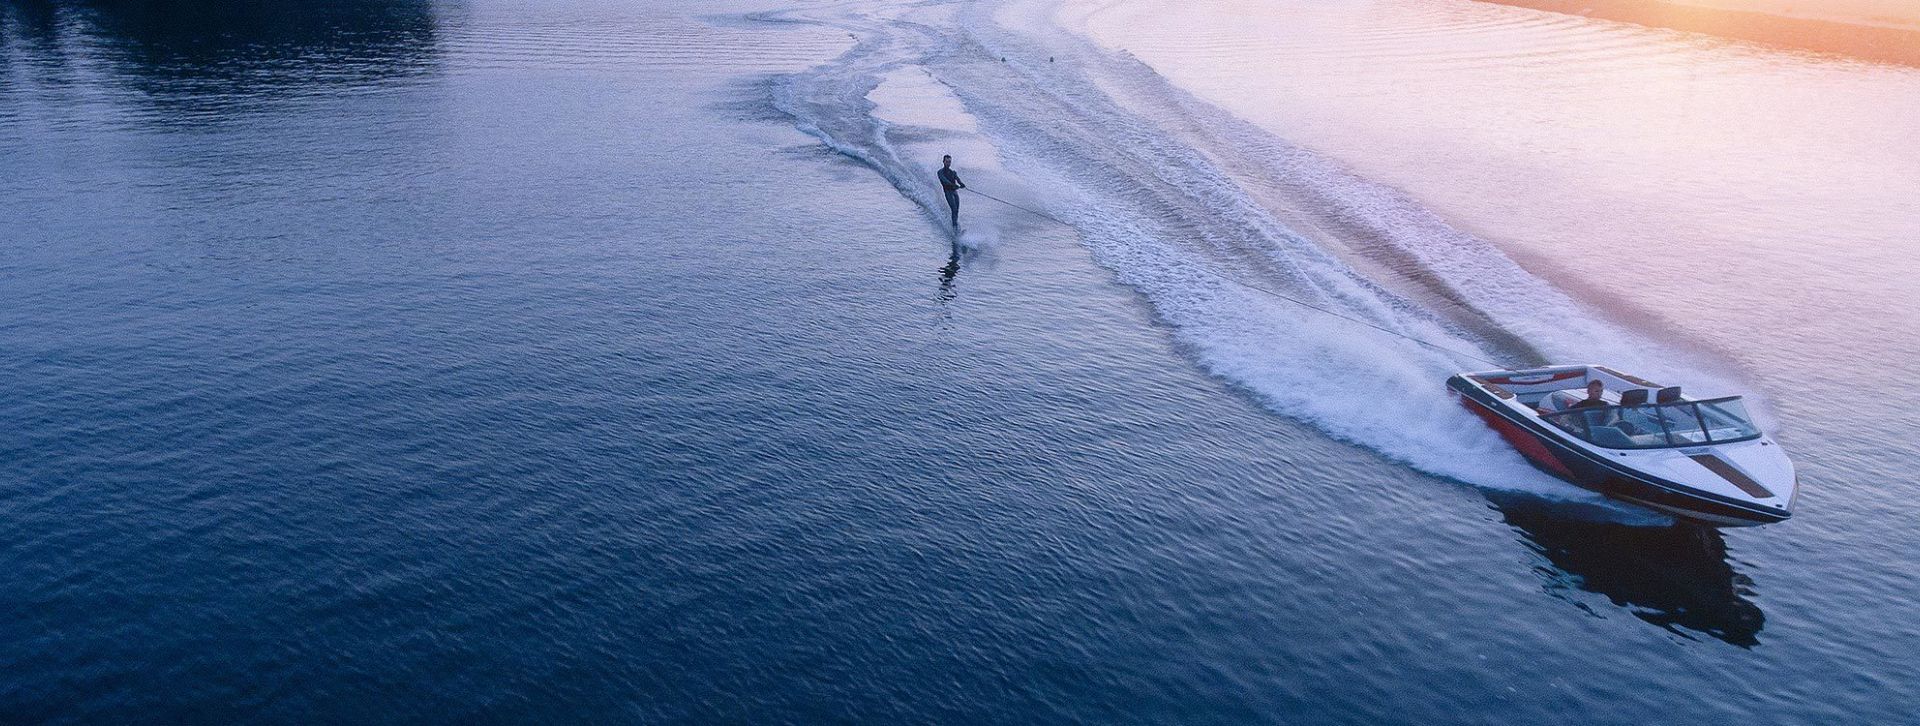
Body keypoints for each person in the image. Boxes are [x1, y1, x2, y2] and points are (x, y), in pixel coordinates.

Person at [937, 155, 964, 228]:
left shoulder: (953, 172)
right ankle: (954, 227)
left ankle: (955, 225)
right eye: (947, 162)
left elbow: (958, 179)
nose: (948, 163)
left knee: (956, 210)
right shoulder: (940, 172)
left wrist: (961, 184)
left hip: (954, 192)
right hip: (948, 192)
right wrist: (953, 184)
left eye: (949, 162)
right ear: (943, 162)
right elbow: (944, 180)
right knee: (954, 209)